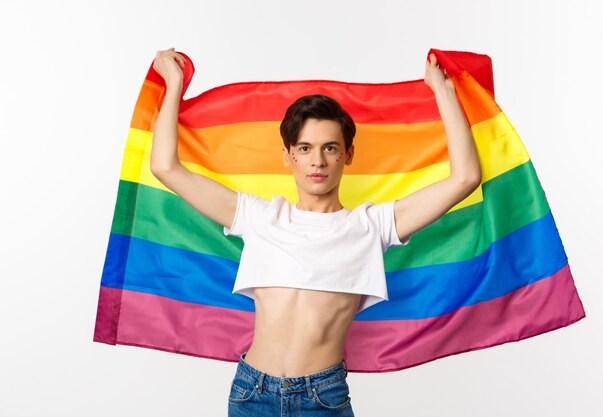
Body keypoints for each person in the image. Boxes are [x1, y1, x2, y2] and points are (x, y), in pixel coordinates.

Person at [150, 47, 481, 416]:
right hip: (250, 392)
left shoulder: (372, 226)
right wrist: (173, 85)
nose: (317, 161)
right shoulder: (259, 217)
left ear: (348, 155)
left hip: (322, 398)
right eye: (305, 148)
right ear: (288, 156)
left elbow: (465, 177)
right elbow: (165, 167)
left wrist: (443, 91)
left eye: (330, 148)